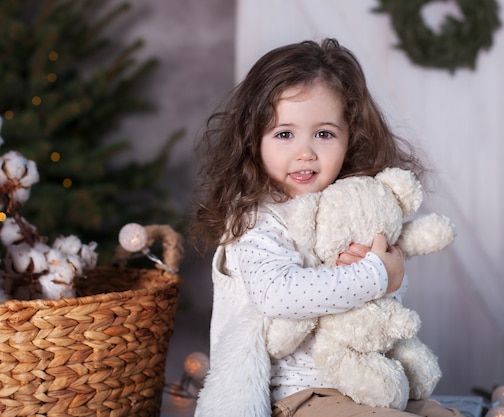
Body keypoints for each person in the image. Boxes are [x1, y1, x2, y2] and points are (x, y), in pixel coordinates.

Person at [191, 38, 458, 417]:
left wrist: (389, 275)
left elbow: (377, 300)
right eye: (284, 134)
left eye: (324, 134)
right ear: (253, 140)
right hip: (294, 396)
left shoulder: (350, 202)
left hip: (364, 385)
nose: (306, 152)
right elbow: (278, 294)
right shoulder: (253, 218)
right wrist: (375, 274)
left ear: (351, 138)